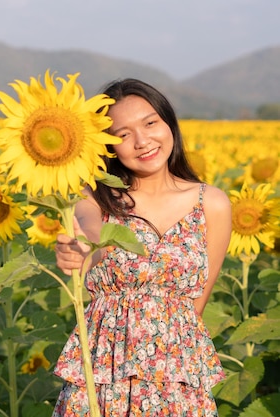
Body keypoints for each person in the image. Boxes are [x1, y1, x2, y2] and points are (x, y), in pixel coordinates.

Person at [51, 78, 232, 416]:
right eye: (122, 134)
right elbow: (91, 239)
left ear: (168, 123)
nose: (142, 141)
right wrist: (79, 250)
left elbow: (195, 308)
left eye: (150, 123)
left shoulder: (212, 204)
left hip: (178, 379)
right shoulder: (95, 198)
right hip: (107, 375)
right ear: (108, 146)